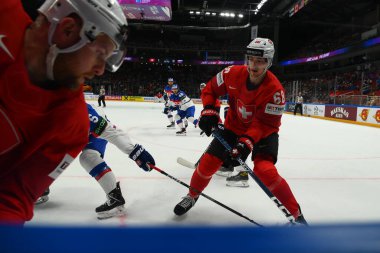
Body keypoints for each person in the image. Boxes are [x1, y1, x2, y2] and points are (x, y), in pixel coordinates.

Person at [0, 0, 128, 223]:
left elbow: (11, 199)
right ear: (67, 30)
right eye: (100, 54)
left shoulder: (71, 127)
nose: (100, 70)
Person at [173, 38, 307, 225]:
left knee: (265, 171)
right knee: (207, 163)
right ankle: (192, 195)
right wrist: (210, 111)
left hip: (264, 133)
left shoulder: (275, 91)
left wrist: (246, 142)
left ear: (268, 62)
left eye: (259, 61)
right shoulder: (231, 73)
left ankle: (296, 215)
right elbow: (210, 89)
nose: (253, 65)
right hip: (233, 128)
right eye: (251, 59)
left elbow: (264, 124)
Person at [37, 103, 155, 219]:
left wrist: (134, 151)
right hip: (69, 135)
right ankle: (39, 186)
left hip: (93, 134)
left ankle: (115, 198)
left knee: (88, 157)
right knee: (49, 156)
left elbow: (111, 132)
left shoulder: (82, 112)